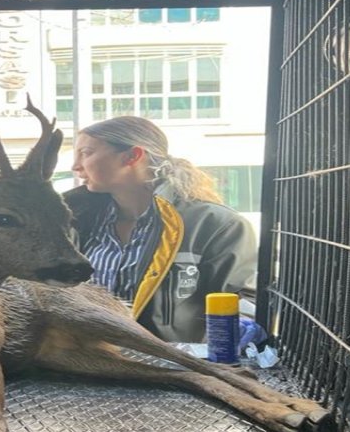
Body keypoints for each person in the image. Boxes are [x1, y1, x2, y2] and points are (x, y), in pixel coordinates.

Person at [64, 115, 257, 344]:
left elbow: (240, 300)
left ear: (132, 156)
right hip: (85, 366)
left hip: (173, 369)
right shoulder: (73, 222)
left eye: (86, 153)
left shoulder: (217, 225)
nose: (75, 166)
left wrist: (242, 322)